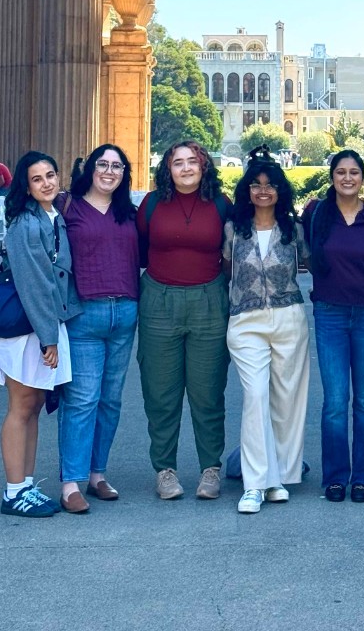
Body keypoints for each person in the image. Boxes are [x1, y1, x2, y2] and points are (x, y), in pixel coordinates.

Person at [0, 151, 81, 517]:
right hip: (25, 328)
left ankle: (26, 484)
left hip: (42, 324)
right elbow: (34, 284)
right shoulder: (24, 224)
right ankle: (14, 491)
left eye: (51, 174)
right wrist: (49, 338)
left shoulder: (52, 216)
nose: (47, 182)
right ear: (25, 186)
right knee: (20, 407)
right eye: (37, 178)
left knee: (32, 407)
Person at [136, 141, 231, 501]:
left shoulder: (221, 205)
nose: (187, 168)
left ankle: (211, 469)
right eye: (178, 163)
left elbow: (230, 252)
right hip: (159, 300)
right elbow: (139, 248)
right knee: (161, 392)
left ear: (205, 166)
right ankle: (165, 470)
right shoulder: (152, 205)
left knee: (208, 392)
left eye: (193, 161)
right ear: (168, 169)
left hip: (209, 300)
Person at [302, 149, 364, 503]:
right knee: (336, 401)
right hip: (330, 315)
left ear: (363, 177)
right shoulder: (316, 213)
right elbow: (304, 253)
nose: (347, 178)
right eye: (341, 172)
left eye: (354, 172)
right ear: (332, 177)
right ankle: (336, 476)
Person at [224, 148, 310, 514]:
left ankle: (280, 477)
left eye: (270, 185)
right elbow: (222, 267)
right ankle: (255, 483)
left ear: (280, 191)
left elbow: (312, 263)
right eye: (256, 184)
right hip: (245, 322)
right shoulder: (232, 230)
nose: (263, 191)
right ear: (247, 189)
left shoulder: (294, 230)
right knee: (256, 396)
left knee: (288, 400)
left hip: (289, 316)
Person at [56, 143, 139, 514]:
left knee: (110, 400)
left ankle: (97, 473)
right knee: (82, 398)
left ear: (124, 174)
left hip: (124, 312)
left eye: (117, 166)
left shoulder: (130, 213)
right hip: (84, 313)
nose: (110, 171)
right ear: (90, 169)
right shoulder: (67, 207)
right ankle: (70, 481)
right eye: (103, 164)